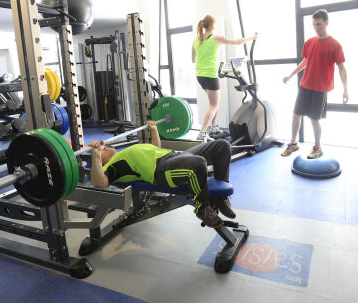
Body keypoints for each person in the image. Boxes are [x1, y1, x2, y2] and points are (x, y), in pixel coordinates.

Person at [88, 120, 235, 228]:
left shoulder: (125, 152)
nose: (104, 148)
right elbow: (100, 182)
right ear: (101, 163)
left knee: (222, 145)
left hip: (173, 157)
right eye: (102, 150)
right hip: (161, 171)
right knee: (198, 163)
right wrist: (95, 154)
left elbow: (155, 148)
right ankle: (202, 208)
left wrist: (153, 129)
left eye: (104, 147)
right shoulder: (112, 166)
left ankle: (220, 198)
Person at [281, 9, 348, 159]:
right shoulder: (310, 42)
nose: (317, 27)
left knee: (314, 119)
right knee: (296, 114)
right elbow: (305, 61)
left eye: (319, 24)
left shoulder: (335, 45)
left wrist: (345, 89)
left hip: (321, 88)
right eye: (314, 25)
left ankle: (317, 148)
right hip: (305, 84)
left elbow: (341, 68)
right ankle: (293, 144)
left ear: (326, 23)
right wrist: (291, 75)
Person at [192, 15, 258, 141]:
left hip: (200, 75)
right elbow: (237, 42)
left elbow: (193, 58)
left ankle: (214, 128)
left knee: (214, 103)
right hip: (210, 75)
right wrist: (252, 38)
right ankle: (201, 133)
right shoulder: (215, 37)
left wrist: (204, 57)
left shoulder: (196, 39)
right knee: (213, 105)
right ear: (212, 25)